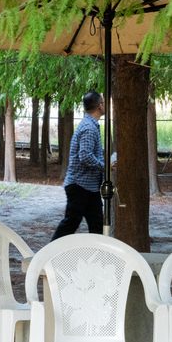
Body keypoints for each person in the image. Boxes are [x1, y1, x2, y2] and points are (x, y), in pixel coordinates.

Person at [51, 91, 105, 240]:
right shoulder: (88, 127)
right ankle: (48, 254)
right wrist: (104, 166)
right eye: (104, 102)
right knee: (71, 222)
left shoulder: (90, 125)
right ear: (100, 106)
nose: (106, 105)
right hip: (79, 185)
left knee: (97, 225)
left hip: (90, 186)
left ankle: (96, 258)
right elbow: (85, 156)